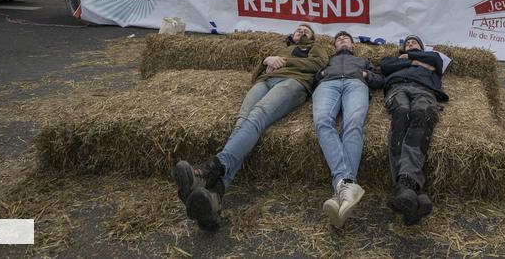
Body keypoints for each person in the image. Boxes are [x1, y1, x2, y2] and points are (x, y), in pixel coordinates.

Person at [172, 24, 331, 231]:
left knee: (257, 116)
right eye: (298, 29)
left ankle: (208, 170)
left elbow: (318, 66)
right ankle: (214, 197)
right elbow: (255, 76)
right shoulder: (280, 48)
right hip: (264, 82)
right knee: (241, 122)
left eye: (306, 30)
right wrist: (266, 61)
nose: (301, 32)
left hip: (293, 82)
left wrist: (282, 62)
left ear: (312, 36)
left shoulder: (314, 48)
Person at [312, 30, 384, 227]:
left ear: (353, 45)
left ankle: (340, 190)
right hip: (328, 85)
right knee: (322, 122)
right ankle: (348, 185)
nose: (342, 39)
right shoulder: (327, 61)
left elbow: (380, 80)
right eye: (338, 39)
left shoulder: (363, 60)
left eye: (346, 38)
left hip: (355, 84)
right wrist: (322, 73)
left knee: (353, 124)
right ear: (334, 46)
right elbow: (311, 79)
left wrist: (366, 74)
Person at [380, 35, 447, 225]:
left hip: (425, 91)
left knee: (421, 115)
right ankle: (413, 189)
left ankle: (404, 189)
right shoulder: (394, 59)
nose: (410, 45)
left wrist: (411, 59)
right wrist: (415, 62)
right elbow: (385, 67)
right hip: (398, 88)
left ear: (422, 46)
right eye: (407, 44)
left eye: (414, 43)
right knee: (401, 115)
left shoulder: (432, 56)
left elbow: (436, 61)